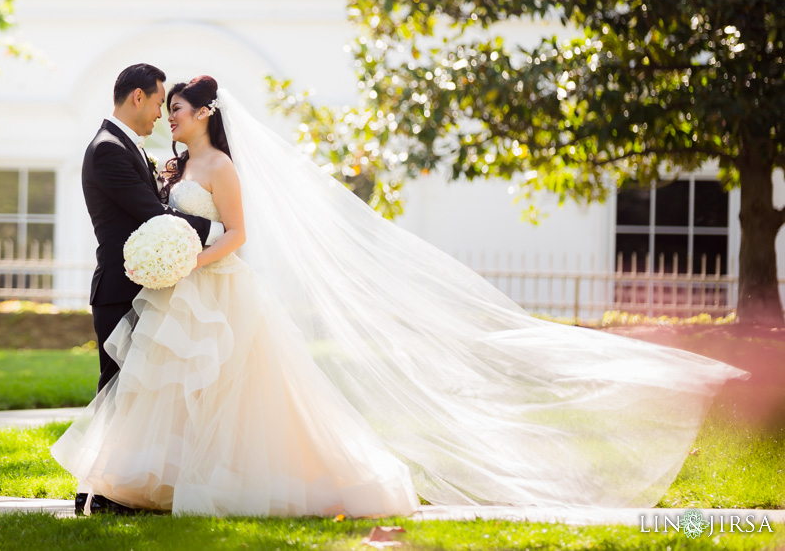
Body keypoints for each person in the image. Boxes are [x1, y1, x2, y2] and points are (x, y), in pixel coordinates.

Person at [53, 74, 749, 517]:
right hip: (184, 293)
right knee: (172, 386)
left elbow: (239, 231)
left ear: (204, 111)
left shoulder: (225, 165)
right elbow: (166, 215)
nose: (170, 117)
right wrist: (177, 253)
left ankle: (230, 479)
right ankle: (147, 483)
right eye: (166, 108)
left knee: (233, 388)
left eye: (178, 108)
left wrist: (197, 257)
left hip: (219, 285)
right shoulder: (173, 163)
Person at [76, 64, 224, 515]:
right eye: (160, 103)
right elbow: (152, 216)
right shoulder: (108, 150)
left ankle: (106, 490)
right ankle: (99, 492)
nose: (161, 114)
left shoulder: (127, 147)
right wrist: (215, 226)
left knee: (131, 392)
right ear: (137, 97)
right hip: (120, 290)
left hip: (141, 287)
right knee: (118, 391)